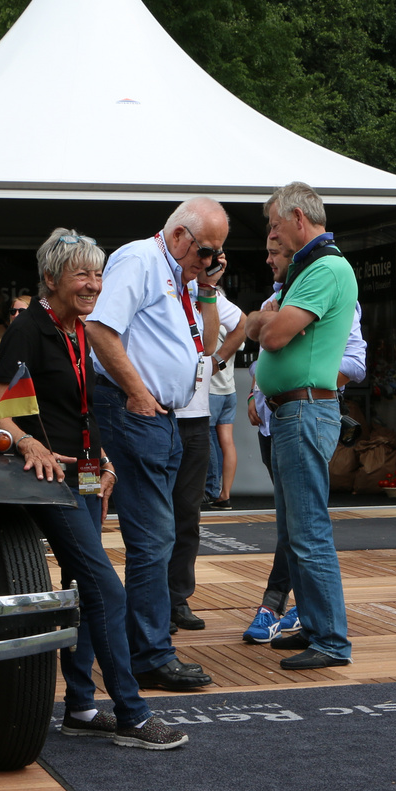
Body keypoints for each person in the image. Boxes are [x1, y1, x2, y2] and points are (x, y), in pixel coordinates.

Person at [0, 229, 186, 750]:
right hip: (48, 480)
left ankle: (79, 706)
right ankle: (133, 714)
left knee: (82, 588)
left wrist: (104, 464)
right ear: (50, 279)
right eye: (82, 274)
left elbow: (79, 410)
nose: (94, 284)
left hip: (85, 472)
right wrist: (27, 443)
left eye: (98, 274)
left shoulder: (78, 329)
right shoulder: (29, 330)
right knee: (107, 590)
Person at [84, 197, 228, 691]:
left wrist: (204, 287)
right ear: (181, 235)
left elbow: (206, 346)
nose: (209, 261)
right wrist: (139, 392)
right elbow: (100, 329)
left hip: (164, 416)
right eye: (206, 251)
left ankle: (144, 647)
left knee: (160, 534)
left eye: (216, 255)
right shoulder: (140, 259)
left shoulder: (179, 275)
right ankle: (148, 655)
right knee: (154, 538)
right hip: (139, 412)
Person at [245, 182, 358, 671]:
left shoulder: (325, 268)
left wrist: (259, 321)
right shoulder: (316, 268)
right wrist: (263, 320)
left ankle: (330, 640)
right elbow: (270, 329)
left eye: (273, 225)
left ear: (296, 217)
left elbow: (271, 335)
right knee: (297, 530)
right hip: (297, 410)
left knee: (307, 530)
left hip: (303, 411)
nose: (271, 235)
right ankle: (316, 627)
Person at [169, 268, 242, 632]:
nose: (204, 262)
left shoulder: (206, 293)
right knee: (155, 517)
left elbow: (242, 326)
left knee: (187, 515)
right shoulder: (157, 285)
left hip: (196, 417)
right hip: (157, 413)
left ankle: (178, 598)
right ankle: (152, 601)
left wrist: (217, 363)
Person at [206, 303, 250, 510]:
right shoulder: (234, 330)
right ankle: (225, 494)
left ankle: (211, 489)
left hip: (212, 390)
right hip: (228, 391)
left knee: (206, 439)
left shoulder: (210, 328)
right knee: (227, 442)